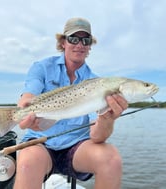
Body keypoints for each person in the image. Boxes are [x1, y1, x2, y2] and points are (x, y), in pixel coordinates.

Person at [13, 17, 128, 189]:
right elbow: (29, 96)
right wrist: (23, 114)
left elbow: (97, 136)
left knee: (111, 159)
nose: (80, 44)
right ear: (63, 42)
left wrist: (107, 118)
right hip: (40, 142)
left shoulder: (97, 83)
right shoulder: (42, 67)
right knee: (27, 163)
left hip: (77, 147)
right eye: (74, 38)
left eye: (86, 40)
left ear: (90, 46)